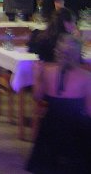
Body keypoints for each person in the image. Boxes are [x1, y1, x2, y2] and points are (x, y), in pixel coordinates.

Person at [26, 35, 91, 173]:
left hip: (52, 127)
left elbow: (37, 97)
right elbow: (89, 110)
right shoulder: (86, 77)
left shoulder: (48, 71)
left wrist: (37, 76)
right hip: (73, 130)